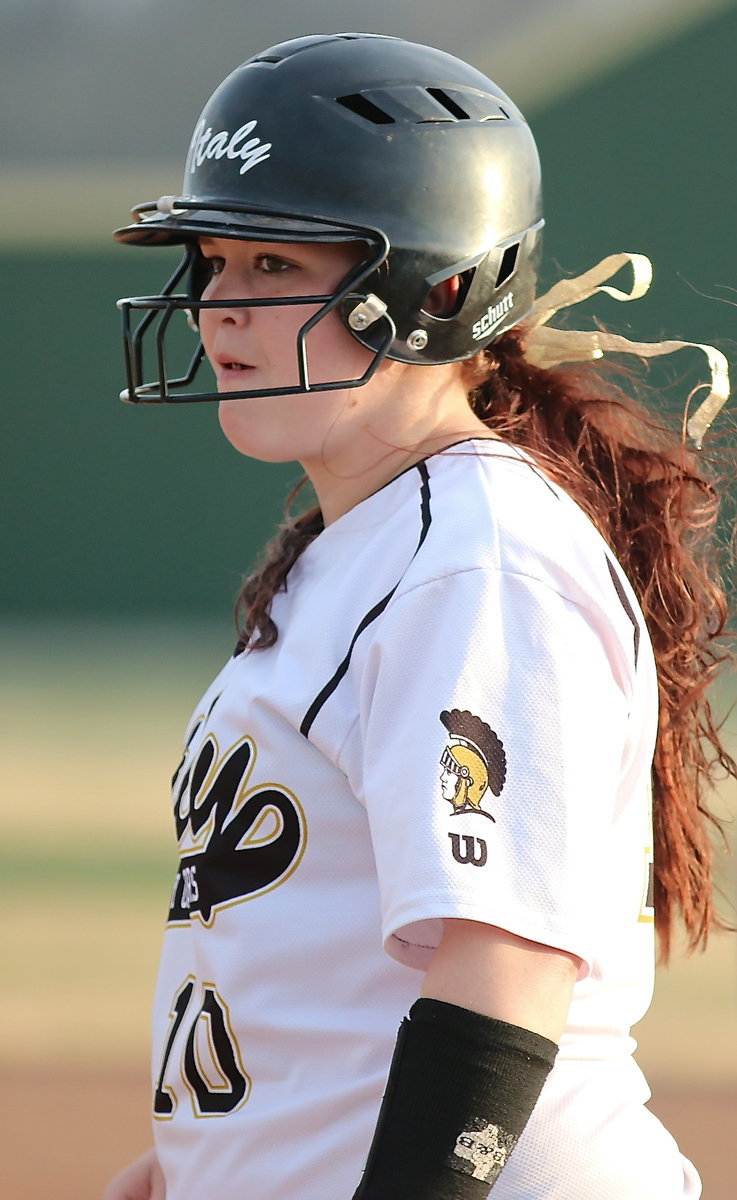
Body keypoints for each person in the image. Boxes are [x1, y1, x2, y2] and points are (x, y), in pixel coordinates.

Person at [104, 32, 735, 1200]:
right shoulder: (374, 544)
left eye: (275, 268)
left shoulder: (471, 559)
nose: (218, 310)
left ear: (435, 292)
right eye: (213, 261)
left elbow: (505, 970)